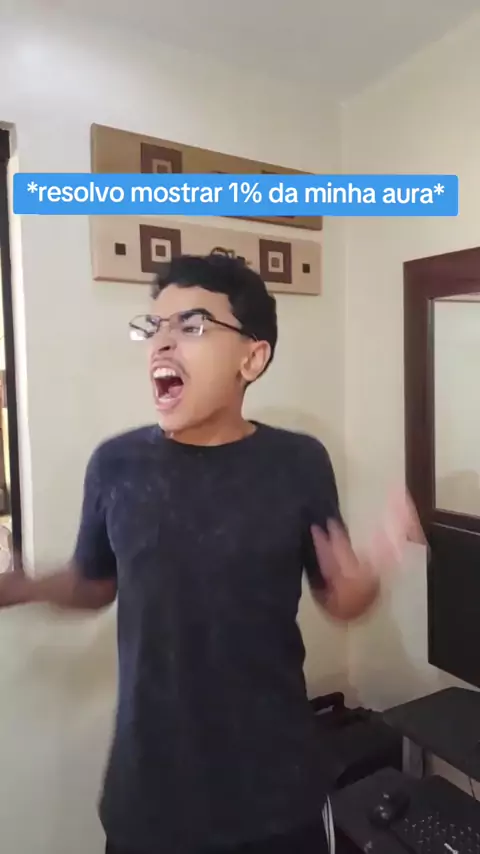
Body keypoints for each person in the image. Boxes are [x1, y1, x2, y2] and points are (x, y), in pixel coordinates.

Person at [0, 252, 424, 854]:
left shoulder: (299, 463)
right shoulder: (116, 466)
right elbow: (94, 582)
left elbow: (340, 597)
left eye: (192, 325)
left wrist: (370, 576)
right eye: (154, 326)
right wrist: (23, 586)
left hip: (275, 795)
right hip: (148, 797)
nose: (162, 342)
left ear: (252, 358)